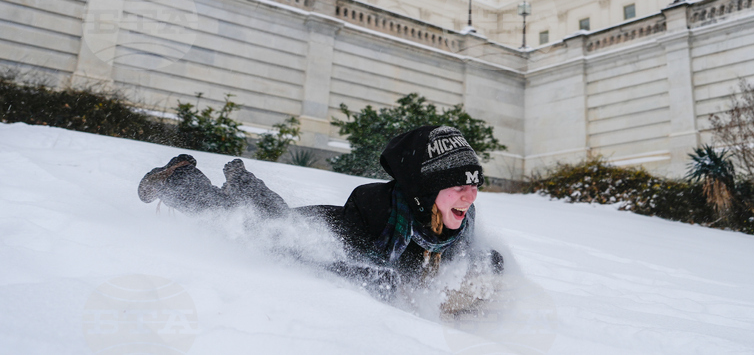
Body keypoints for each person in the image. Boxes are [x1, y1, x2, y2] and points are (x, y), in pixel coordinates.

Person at [137, 125, 502, 295]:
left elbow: (468, 261)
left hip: (328, 232)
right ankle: (178, 181)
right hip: (319, 231)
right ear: (424, 190)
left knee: (263, 212)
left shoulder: (460, 220)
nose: (469, 197)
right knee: (250, 224)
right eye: (458, 187)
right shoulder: (376, 211)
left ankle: (241, 185)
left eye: (474, 186)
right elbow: (342, 268)